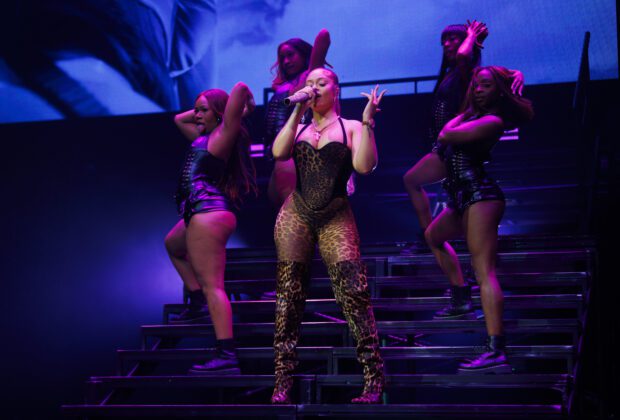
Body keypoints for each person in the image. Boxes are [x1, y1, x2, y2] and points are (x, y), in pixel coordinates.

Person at [269, 67, 386, 404]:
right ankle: (282, 381)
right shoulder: (300, 128)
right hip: (297, 214)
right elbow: (278, 153)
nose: (314, 87)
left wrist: (367, 122)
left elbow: (364, 167)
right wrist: (297, 109)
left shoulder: (350, 127)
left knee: (353, 294)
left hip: (335, 214)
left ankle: (373, 379)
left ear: (336, 89)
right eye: (309, 83)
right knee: (288, 297)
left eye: (321, 83)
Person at [426, 66, 534, 373]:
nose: (477, 89)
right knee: (433, 236)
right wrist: (512, 75)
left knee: (484, 270)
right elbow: (447, 131)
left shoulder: (493, 121)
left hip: (481, 195)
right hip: (462, 197)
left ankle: (496, 350)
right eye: (475, 85)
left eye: (486, 85)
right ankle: (461, 298)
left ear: (498, 91)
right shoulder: (475, 115)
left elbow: (446, 133)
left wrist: (504, 84)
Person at [402, 21, 523, 253]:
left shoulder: (468, 73)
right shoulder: (452, 75)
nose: (447, 45)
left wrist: (471, 36)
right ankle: (428, 234)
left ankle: (428, 234)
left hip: (454, 147)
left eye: (452, 39)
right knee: (412, 181)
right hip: (443, 148)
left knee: (412, 180)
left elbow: (463, 56)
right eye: (444, 41)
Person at [163, 82, 257, 374]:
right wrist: (203, 109)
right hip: (198, 212)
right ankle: (197, 303)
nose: (196, 115)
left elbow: (240, 87)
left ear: (219, 113)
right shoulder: (203, 138)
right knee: (173, 245)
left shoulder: (222, 135)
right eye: (196, 110)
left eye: (203, 110)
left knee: (214, 287)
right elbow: (178, 119)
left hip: (209, 213)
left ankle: (227, 354)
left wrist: (242, 109)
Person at [265, 29, 331, 208]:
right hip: (280, 147)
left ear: (304, 55)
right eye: (282, 58)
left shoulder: (309, 78)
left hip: (297, 146)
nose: (286, 61)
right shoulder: (285, 85)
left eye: (290, 55)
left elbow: (323, 35)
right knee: (278, 201)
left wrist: (315, 60)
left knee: (292, 207)